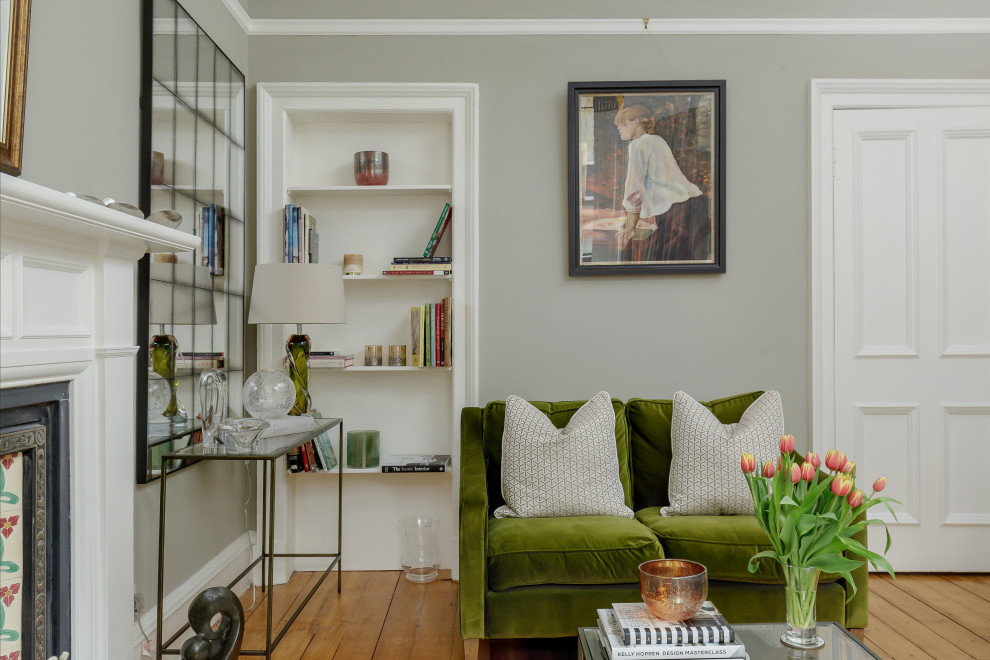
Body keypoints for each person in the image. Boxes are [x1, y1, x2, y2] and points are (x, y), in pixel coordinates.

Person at [613, 105, 706, 260]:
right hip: (690, 205)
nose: (619, 129)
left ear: (636, 122)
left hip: (675, 215)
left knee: (665, 261)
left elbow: (635, 188)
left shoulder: (638, 145)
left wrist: (629, 228)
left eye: (623, 125)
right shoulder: (656, 140)